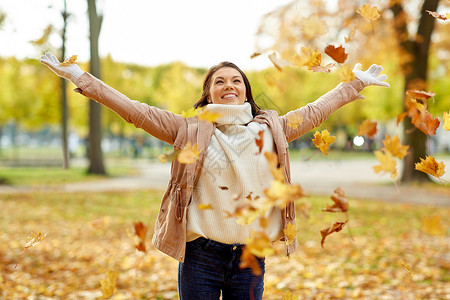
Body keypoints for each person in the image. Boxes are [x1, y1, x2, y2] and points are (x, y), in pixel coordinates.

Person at [40, 52, 389, 299]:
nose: (229, 85)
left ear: (245, 90)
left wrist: (355, 82)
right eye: (219, 81)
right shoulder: (188, 129)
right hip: (200, 256)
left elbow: (316, 111)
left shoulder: (273, 128)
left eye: (236, 80)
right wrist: (80, 78)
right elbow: (135, 111)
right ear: (208, 92)